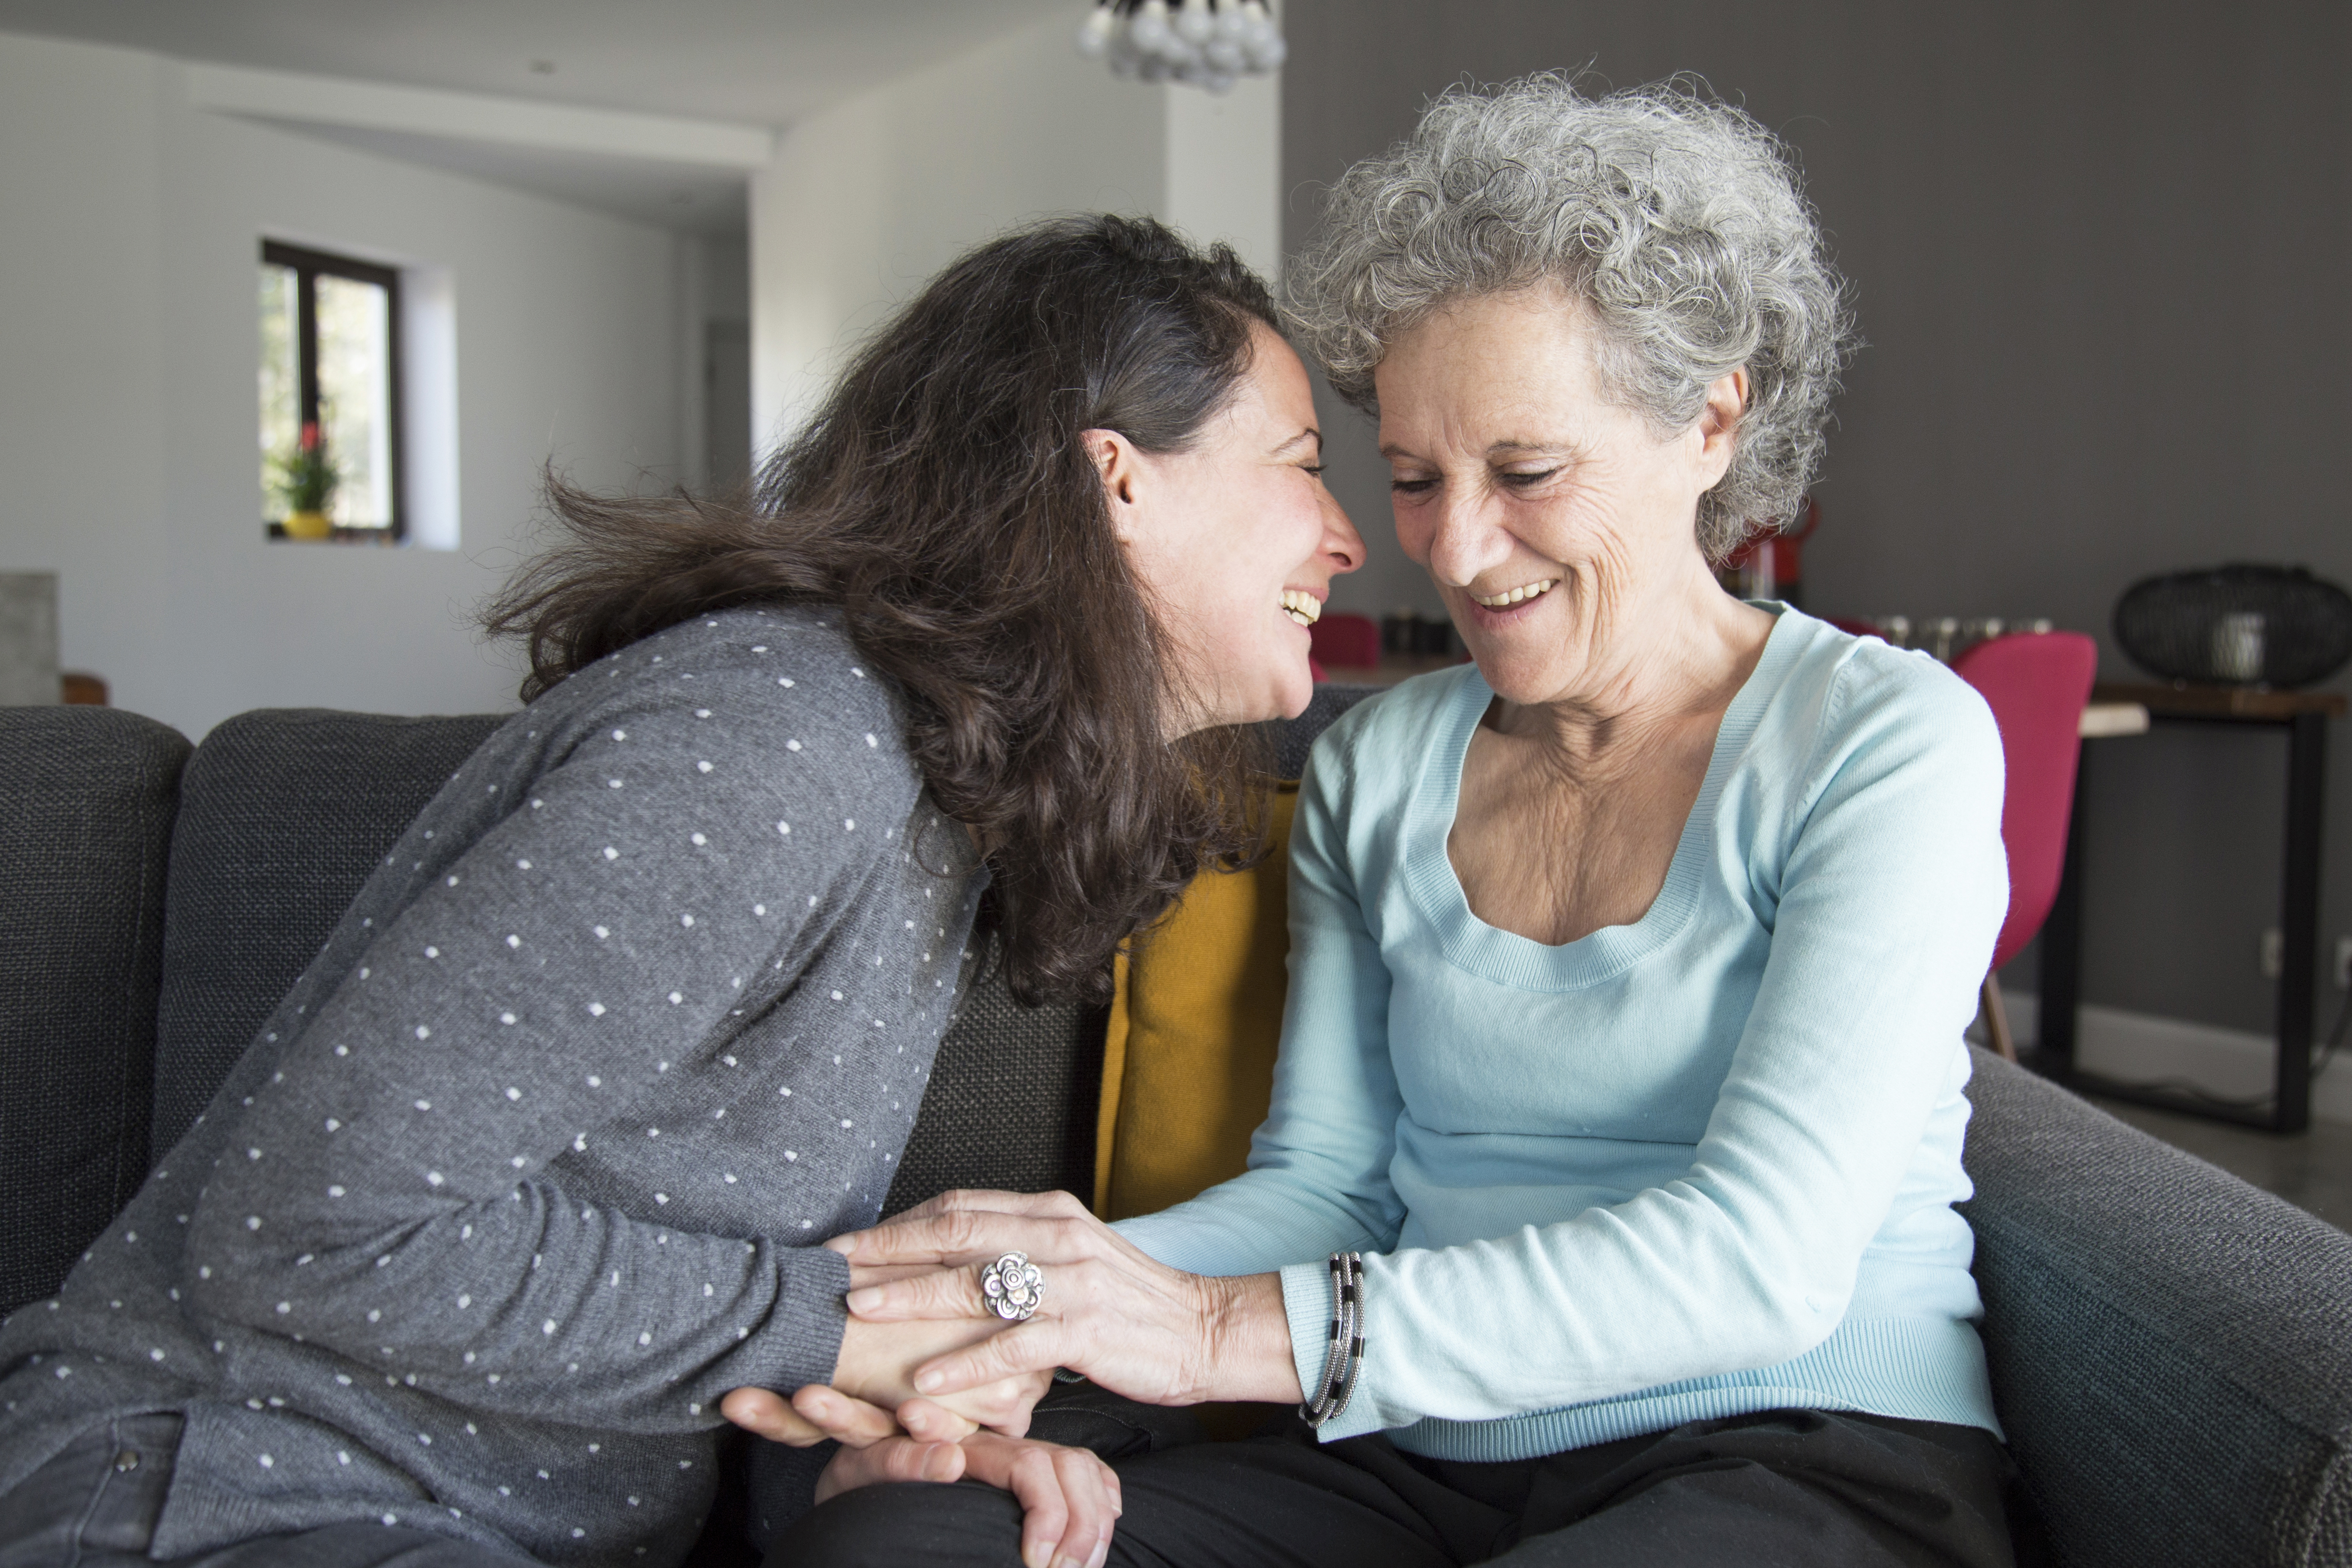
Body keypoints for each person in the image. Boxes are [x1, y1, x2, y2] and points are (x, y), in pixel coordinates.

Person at [762, 77, 2031, 1568]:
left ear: (1709, 420)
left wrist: (1204, 1333)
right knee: (902, 1542)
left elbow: (1762, 1259)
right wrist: (1001, 1302)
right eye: (1417, 479)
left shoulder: (1884, 740)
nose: (1456, 547)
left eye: (1529, 471)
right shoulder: (1378, 766)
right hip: (1417, 1459)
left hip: (1795, 1454)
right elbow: (1332, 1187)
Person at [0, 214, 1364, 1568]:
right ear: (1114, 480)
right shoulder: (779, 741)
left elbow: (671, 1278)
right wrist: (836, 1324)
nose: (1347, 539)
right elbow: (294, 1233)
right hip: (211, 1488)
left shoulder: (935, 791)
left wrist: (859, 1450)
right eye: (1303, 465)